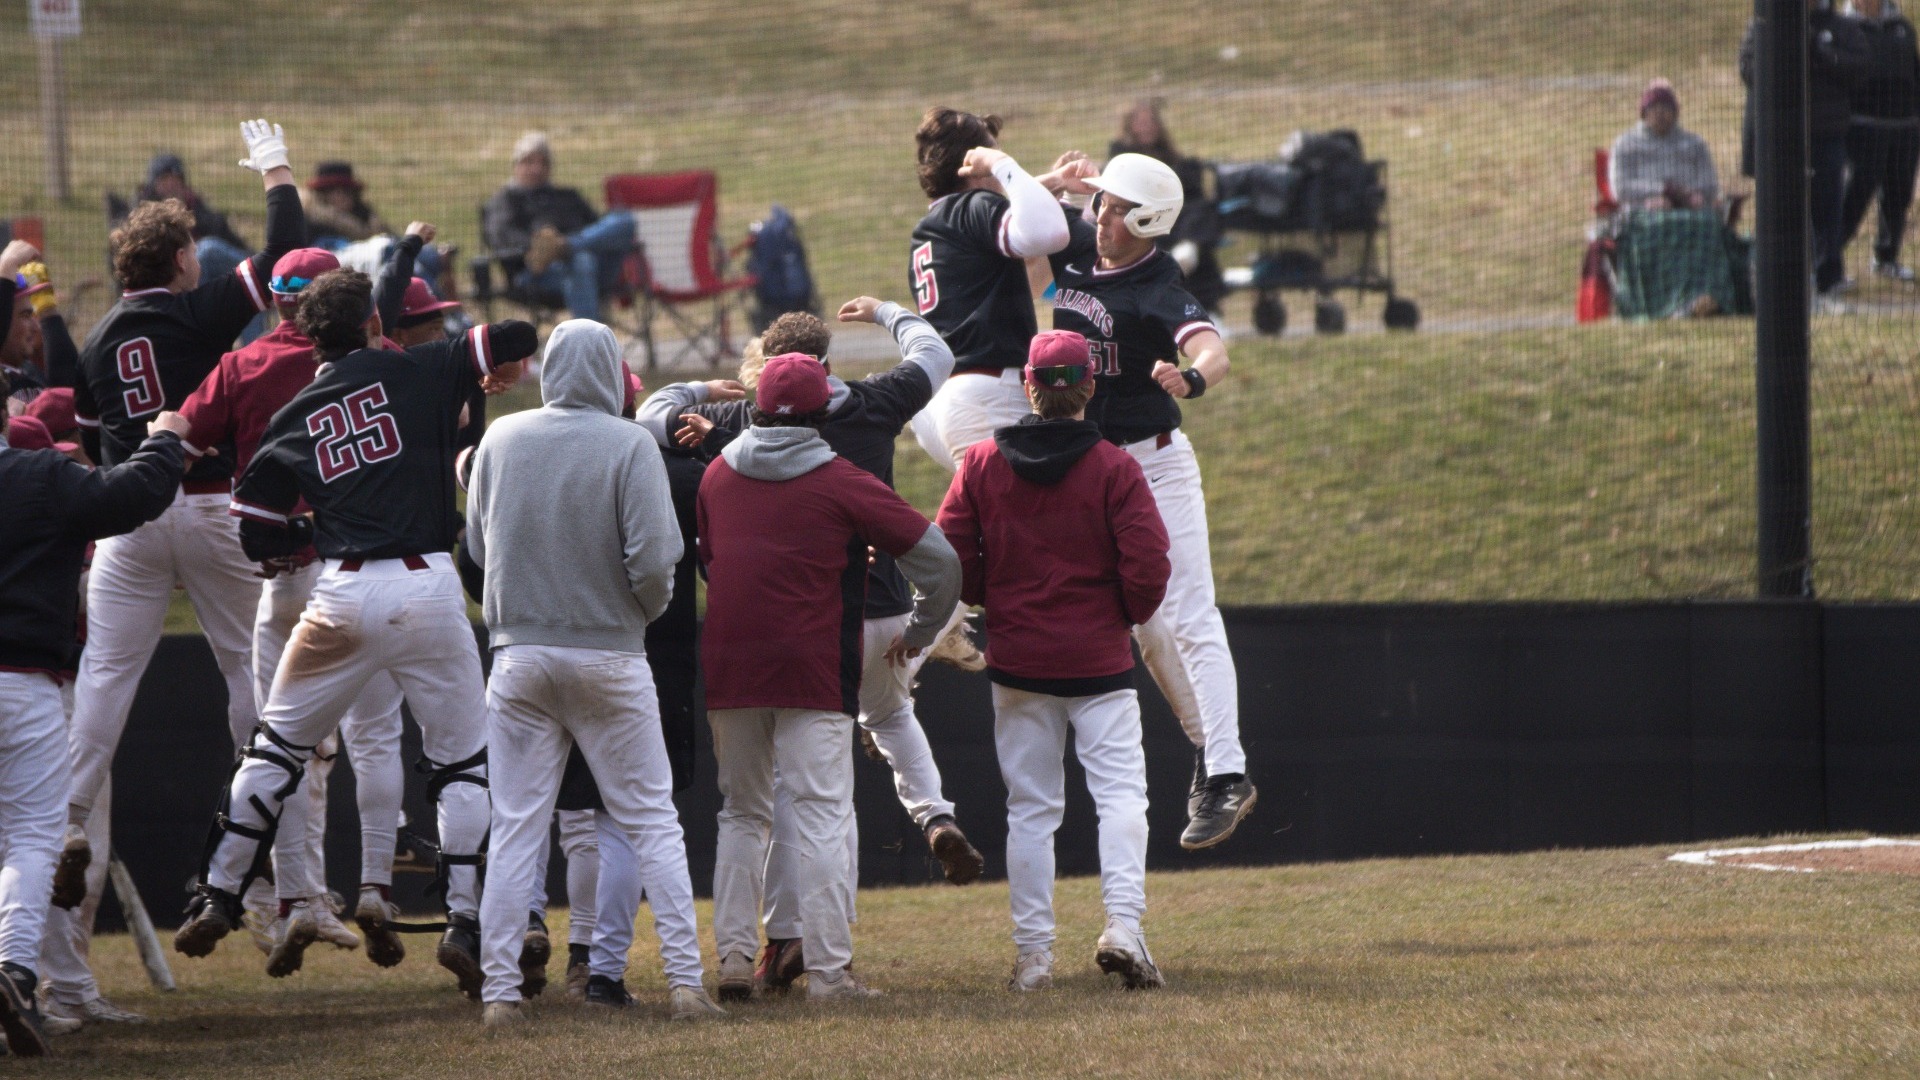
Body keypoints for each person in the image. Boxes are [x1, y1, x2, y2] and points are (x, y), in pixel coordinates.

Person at [171, 271, 532, 1005]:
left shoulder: (296, 411)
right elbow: (519, 337)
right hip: (427, 585)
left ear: (308, 335)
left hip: (338, 589)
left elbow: (257, 532)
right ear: (375, 322)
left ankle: (218, 892)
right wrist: (469, 359)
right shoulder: (421, 365)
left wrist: (308, 529)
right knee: (463, 764)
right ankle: (464, 919)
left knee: (274, 750)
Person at [644, 303, 982, 990]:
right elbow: (941, 564)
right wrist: (921, 633)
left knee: (741, 813)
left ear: (758, 405)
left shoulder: (714, 472)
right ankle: (828, 971)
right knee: (823, 813)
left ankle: (736, 963)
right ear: (820, 410)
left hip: (732, 664)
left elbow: (712, 561)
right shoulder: (843, 480)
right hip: (813, 667)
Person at [56, 120, 307, 915]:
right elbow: (280, 261)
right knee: (248, 669)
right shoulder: (196, 315)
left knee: (104, 678)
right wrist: (275, 172)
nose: (200, 258)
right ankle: (257, 851)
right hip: (205, 507)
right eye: (192, 249)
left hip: (127, 518)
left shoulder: (95, 344)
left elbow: (96, 455)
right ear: (176, 261)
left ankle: (60, 817)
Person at [465, 318, 724, 1027]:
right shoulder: (630, 443)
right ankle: (685, 987)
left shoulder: (500, 438)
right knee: (653, 823)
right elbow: (656, 560)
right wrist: (637, 614)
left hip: (517, 658)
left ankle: (498, 998)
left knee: (517, 826)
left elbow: (480, 550)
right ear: (611, 370)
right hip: (612, 656)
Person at [175, 245, 421, 977]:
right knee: (375, 736)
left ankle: (287, 899)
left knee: (274, 746)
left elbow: (181, 441)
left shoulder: (241, 365)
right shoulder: (381, 363)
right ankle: (375, 885)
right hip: (361, 570)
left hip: (279, 576)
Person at [936, 329, 1171, 992]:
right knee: (1122, 796)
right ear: (1090, 386)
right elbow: (1150, 566)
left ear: (1029, 387)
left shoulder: (979, 463)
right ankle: (1124, 927)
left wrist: (995, 597)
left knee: (1032, 810)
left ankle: (1034, 959)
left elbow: (952, 561)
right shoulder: (1115, 467)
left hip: (1019, 663)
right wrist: (1117, 616)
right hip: (1098, 661)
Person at [1039, 152, 1257, 850]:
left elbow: (1211, 346)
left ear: (1147, 220)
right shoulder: (1081, 245)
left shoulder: (1157, 281)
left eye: (1111, 206)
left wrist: (1193, 381)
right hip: (1093, 469)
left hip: (1154, 466)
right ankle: (1207, 749)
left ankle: (1228, 773)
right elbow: (1021, 220)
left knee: (1191, 616)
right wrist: (1058, 184)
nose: (1097, 214)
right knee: (1148, 628)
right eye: (1099, 203)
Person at [0, 349, 189, 1056]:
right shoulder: (37, 474)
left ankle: (26, 975)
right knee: (33, 837)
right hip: (23, 684)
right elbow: (134, 496)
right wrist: (166, 438)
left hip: (32, 682)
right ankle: (15, 968)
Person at [904, 107, 1093, 473]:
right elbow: (1048, 233)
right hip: (987, 397)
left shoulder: (933, 225)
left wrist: (1054, 181)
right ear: (972, 165)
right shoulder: (973, 207)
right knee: (1022, 522)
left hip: (944, 401)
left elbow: (1032, 280)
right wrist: (1003, 163)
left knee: (990, 523)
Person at [1740, 0, 1869, 296]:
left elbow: (1859, 67)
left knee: (1828, 206)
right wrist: (1784, 57)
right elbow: (1748, 68)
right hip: (1780, 137)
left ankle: (1828, 276)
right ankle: (1778, 277)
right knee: (1781, 207)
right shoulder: (1763, 23)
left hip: (1826, 133)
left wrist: (1820, 56)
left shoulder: (1841, 26)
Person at [482, 131, 637, 321]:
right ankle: (589, 345)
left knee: (624, 220)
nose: (537, 169)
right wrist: (535, 245)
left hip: (598, 270)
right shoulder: (505, 201)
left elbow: (599, 228)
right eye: (529, 162)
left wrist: (564, 246)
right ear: (516, 165)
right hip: (535, 276)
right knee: (581, 260)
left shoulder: (568, 196)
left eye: (543, 163)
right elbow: (501, 238)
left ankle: (566, 245)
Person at [1108, 99, 1226, 311]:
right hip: (1145, 222)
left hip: (1179, 222)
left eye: (1151, 121)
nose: (1147, 126)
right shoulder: (1122, 158)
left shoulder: (1173, 158)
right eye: (1140, 122)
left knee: (1203, 211)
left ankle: (1190, 252)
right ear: (1129, 126)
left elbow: (1191, 193)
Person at [1841, 0, 1920, 281]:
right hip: (1864, 126)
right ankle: (1827, 260)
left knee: (1899, 194)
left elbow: (1914, 72)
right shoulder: (1845, 27)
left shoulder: (1902, 28)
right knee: (1856, 192)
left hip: (1905, 127)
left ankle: (1886, 258)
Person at [135, 153, 251, 282]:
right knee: (208, 251)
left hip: (208, 281)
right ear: (153, 185)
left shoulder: (197, 208)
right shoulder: (142, 218)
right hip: (169, 282)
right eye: (165, 180)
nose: (171, 186)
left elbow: (234, 244)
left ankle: (262, 272)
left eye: (176, 180)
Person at [1609, 80, 1721, 210]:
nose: (1660, 113)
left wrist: (1685, 195)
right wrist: (1661, 191)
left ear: (1675, 113)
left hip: (1692, 212)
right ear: (1643, 113)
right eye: (1654, 107)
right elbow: (1621, 189)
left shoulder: (1695, 144)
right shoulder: (1626, 144)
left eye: (1666, 107)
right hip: (1642, 214)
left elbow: (1711, 185)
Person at [3, 260, 80, 413]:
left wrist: (48, 310)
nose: (36, 325)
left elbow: (68, 396)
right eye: (25, 316)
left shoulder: (29, 373)